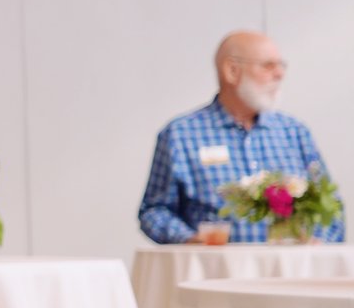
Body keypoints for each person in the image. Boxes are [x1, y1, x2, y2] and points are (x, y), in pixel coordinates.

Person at [139, 30, 342, 244]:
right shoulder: (179, 135)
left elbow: (332, 204)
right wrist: (189, 240)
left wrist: (320, 242)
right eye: (268, 65)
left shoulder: (295, 132)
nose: (279, 74)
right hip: (214, 273)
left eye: (281, 65)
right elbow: (154, 210)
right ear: (232, 71)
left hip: (289, 273)